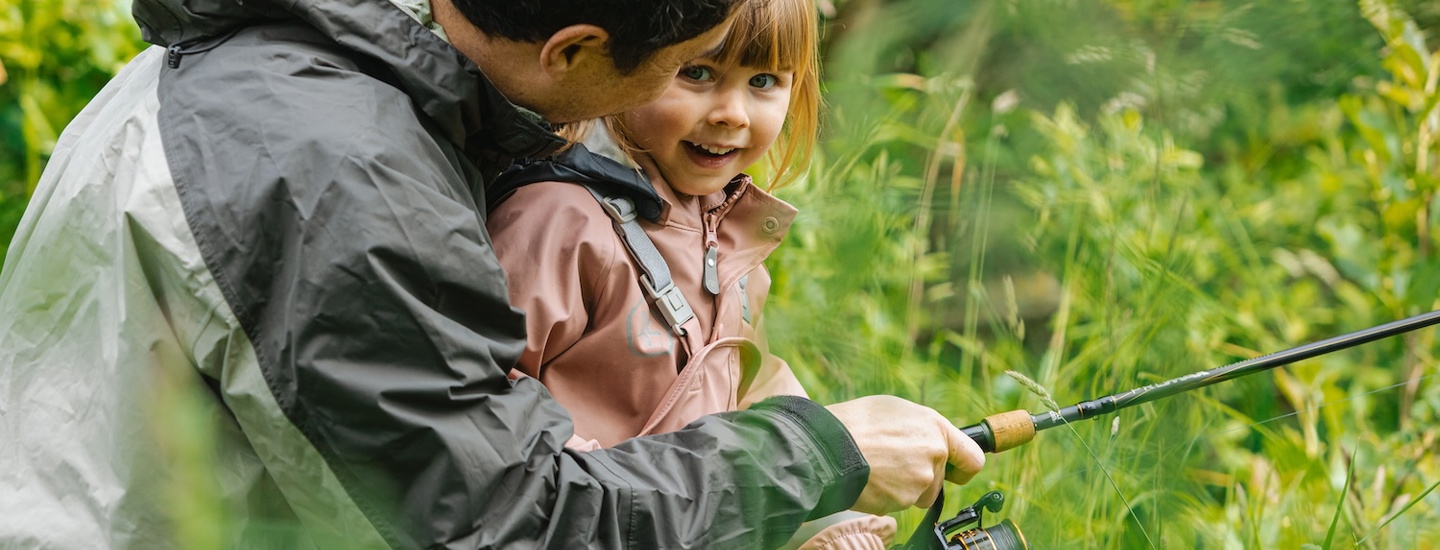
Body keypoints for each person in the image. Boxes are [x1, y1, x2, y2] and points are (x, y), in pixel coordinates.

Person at [0, 0, 984, 548]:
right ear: (574, 48)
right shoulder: (346, 184)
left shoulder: (340, 55)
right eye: (684, 67)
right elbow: (504, 524)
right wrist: (811, 452)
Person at [486, 0, 895, 547]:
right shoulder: (558, 219)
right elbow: (486, 409)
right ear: (632, 66)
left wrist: (824, 506)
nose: (733, 113)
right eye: (697, 73)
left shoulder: (730, 237)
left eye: (765, 80)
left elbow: (747, 390)